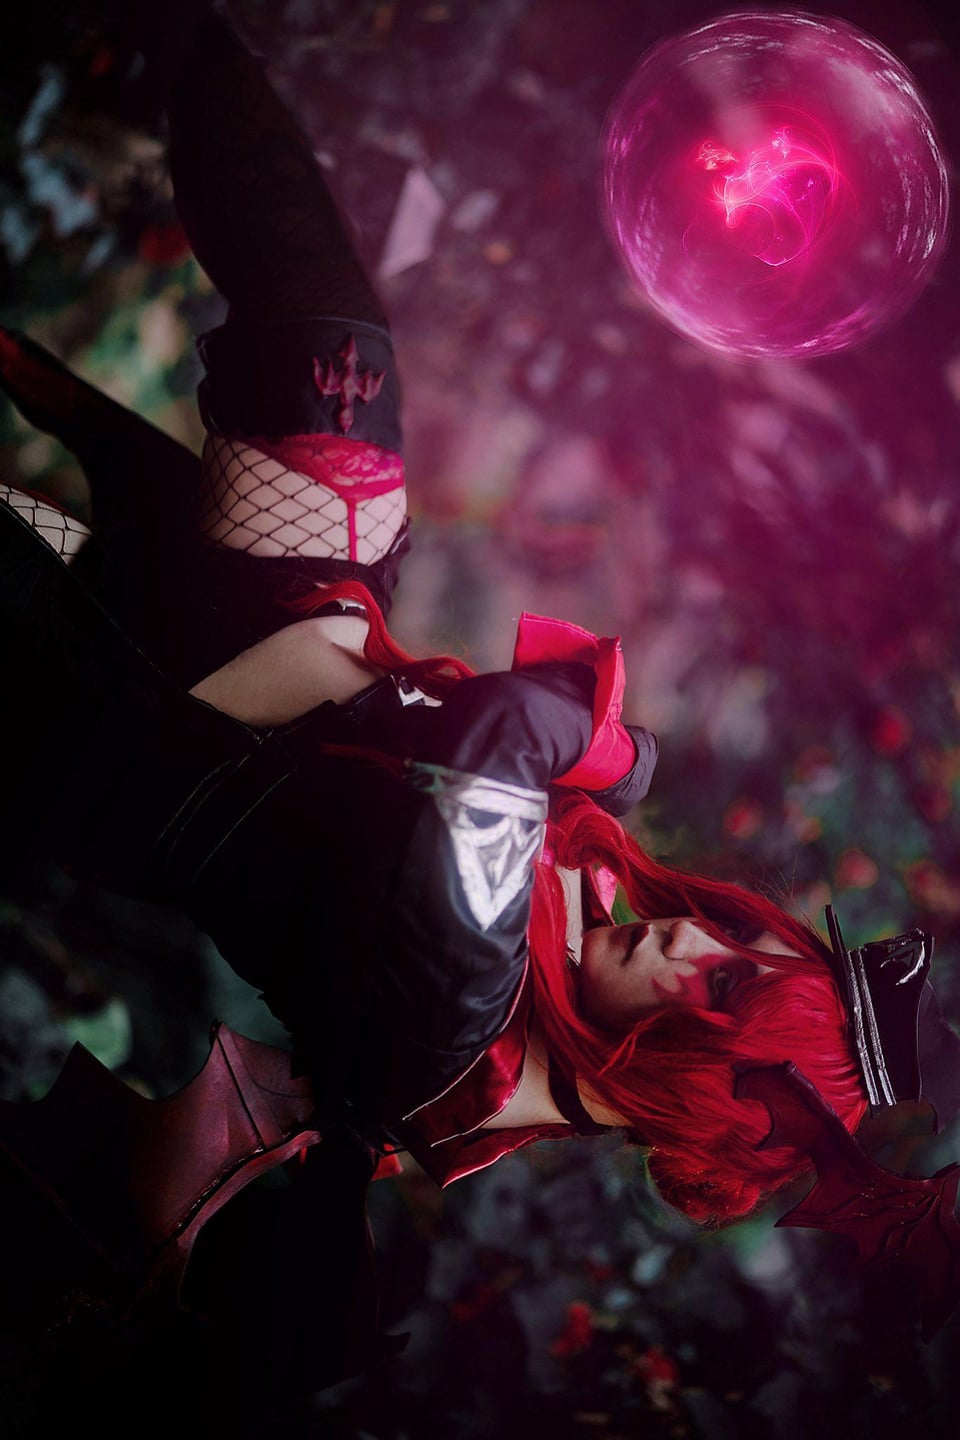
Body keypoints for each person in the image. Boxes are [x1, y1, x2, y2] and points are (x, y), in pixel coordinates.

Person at [1, 0, 953, 1402]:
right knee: (326, 326)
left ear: (690, 1082)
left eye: (720, 986)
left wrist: (618, 749)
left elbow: (505, 731)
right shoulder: (552, 944)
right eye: (743, 940)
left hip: (126, 702)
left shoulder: (459, 1002)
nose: (694, 936)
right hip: (286, 604)